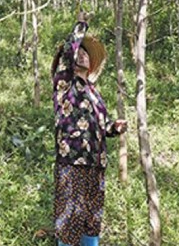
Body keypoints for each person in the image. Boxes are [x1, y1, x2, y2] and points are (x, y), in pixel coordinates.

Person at [51, 12, 127, 246]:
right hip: (72, 161)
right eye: (79, 52)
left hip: (96, 162)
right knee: (69, 218)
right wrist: (81, 24)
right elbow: (67, 50)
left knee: (92, 217)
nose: (82, 55)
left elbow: (102, 127)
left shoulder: (94, 93)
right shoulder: (65, 82)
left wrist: (114, 127)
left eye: (86, 53)